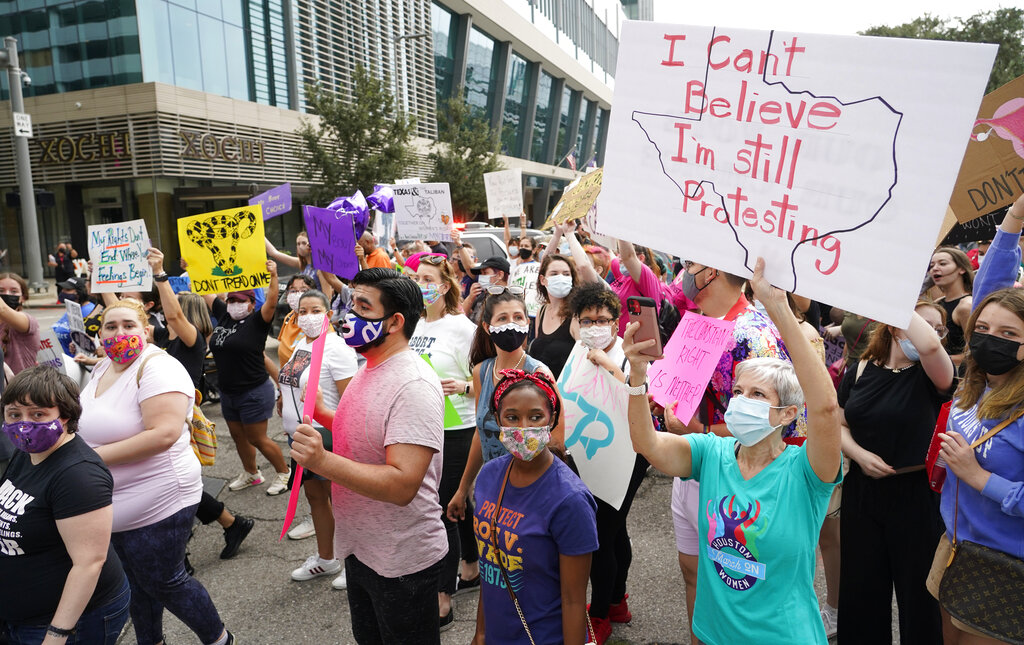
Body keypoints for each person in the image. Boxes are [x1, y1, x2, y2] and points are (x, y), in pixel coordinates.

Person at [625, 257, 842, 644]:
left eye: (758, 394)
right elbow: (647, 444)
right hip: (713, 634)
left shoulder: (806, 474)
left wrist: (777, 307)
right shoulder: (712, 455)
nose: (741, 401)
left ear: (787, 413)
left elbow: (825, 408)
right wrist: (637, 377)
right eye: (738, 392)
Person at [290, 268, 447, 645]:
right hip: (362, 547)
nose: (349, 316)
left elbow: (403, 484)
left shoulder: (413, 385)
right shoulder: (370, 366)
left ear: (394, 322)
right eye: (350, 304)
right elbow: (370, 431)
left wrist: (322, 461)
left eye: (363, 306)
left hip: (400, 560)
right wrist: (327, 414)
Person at [77, 298, 235, 645]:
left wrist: (88, 460)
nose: (119, 333)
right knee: (135, 583)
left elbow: (162, 434)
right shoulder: (104, 366)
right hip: (111, 502)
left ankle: (219, 639)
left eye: (129, 325)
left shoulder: (159, 368)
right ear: (99, 333)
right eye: (111, 326)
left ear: (147, 331)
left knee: (166, 581)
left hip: (159, 500)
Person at [661, 259, 793, 643]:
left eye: (691, 264)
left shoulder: (753, 335)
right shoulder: (696, 322)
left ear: (713, 272)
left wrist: (700, 430)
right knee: (693, 575)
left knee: (731, 584)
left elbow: (772, 421)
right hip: (690, 465)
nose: (685, 272)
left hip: (731, 479)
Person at [930, 195, 1024, 644]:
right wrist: (1013, 219)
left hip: (1003, 566)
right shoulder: (978, 384)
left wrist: (979, 477)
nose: (991, 340)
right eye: (983, 330)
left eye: (1009, 335)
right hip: (953, 548)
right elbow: (990, 293)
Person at [837, 302, 953, 643]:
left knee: (920, 602)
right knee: (860, 593)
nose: (932, 334)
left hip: (917, 496)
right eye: (924, 324)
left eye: (939, 328)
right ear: (893, 327)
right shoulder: (860, 369)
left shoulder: (933, 375)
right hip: (863, 492)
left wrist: (894, 290)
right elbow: (838, 423)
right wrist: (859, 455)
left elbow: (931, 346)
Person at [1, 365, 130, 644]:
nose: (23, 424)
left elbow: (89, 562)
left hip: (72, 622)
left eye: (38, 414)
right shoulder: (29, 451)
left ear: (66, 416)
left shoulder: (78, 475)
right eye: (14, 414)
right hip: (21, 615)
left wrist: (57, 634)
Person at [471, 370, 598, 645]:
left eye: (535, 417)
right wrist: (480, 633)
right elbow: (489, 566)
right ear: (497, 420)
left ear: (551, 419)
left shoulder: (570, 500)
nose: (524, 427)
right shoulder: (488, 476)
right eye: (512, 417)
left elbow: (574, 599)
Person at [148, 248, 255, 562]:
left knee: (169, 485)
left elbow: (173, 316)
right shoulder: (162, 338)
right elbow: (131, 313)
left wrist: (160, 275)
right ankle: (231, 523)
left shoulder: (190, 340)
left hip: (176, 422)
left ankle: (179, 555)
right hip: (157, 418)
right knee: (172, 485)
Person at [567, 283, 648, 644]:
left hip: (629, 456)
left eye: (603, 319)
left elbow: (644, 397)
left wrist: (609, 365)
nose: (595, 326)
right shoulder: (578, 349)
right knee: (616, 530)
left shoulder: (629, 354)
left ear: (617, 323)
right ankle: (617, 600)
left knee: (602, 535)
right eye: (587, 320)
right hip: (589, 455)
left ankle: (598, 614)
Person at [407, 254, 479, 629]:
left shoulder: (463, 328)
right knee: (457, 502)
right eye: (416, 277)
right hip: (423, 425)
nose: (421, 283)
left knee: (442, 504)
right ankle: (470, 566)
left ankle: (442, 594)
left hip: (460, 428)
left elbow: (484, 376)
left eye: (428, 278)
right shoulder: (414, 325)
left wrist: (466, 387)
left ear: (446, 285)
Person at [448, 289, 560, 524]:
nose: (512, 324)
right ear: (488, 328)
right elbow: (481, 433)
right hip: (492, 487)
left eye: (518, 317)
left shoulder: (539, 373)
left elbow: (557, 441)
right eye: (502, 318)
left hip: (532, 492)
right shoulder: (482, 371)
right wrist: (462, 488)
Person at [278, 289, 356, 587]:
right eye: (303, 311)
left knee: (343, 500)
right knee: (315, 497)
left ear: (329, 313)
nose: (309, 317)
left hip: (328, 437)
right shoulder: (300, 344)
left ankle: (355, 561)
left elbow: (349, 401)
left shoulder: (337, 348)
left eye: (315, 310)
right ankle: (327, 558)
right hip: (300, 436)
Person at [207, 262, 291, 496]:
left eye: (241, 301)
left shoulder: (256, 322)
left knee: (257, 438)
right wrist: (194, 265)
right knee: (237, 436)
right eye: (232, 300)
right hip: (228, 391)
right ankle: (251, 473)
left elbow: (272, 302)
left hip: (253, 391)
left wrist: (273, 276)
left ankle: (284, 472)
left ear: (252, 304)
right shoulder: (223, 316)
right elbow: (205, 288)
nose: (235, 304)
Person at [530, 253, 579, 379]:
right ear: (543, 279)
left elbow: (583, 360)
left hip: (565, 393)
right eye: (554, 274)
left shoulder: (576, 315)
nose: (561, 278)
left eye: (566, 274)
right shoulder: (541, 311)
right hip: (539, 391)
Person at [929, 246, 974, 366]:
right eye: (932, 266)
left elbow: (974, 353)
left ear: (961, 269)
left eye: (942, 264)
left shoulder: (966, 305)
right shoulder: (938, 303)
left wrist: (933, 359)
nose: (935, 269)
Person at [0, 273, 40, 375]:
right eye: (1, 291)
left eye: (14, 291)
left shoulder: (28, 321)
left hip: (20, 389)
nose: (7, 294)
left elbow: (3, 310)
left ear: (23, 297)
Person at [277, 273, 318, 367]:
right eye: (293, 291)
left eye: (304, 290)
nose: (298, 294)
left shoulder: (318, 323)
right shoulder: (289, 317)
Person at [51, 277, 96, 358]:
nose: (62, 292)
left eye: (67, 290)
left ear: (79, 293)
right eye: (63, 289)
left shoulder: (90, 310)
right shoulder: (72, 308)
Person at [463, 256, 511, 323]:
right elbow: (462, 315)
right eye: (481, 273)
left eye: (485, 273)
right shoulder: (483, 294)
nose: (481, 276)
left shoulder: (509, 300)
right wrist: (470, 298)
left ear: (500, 275)